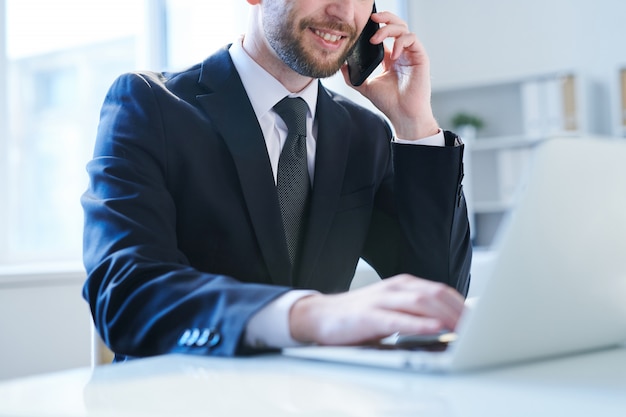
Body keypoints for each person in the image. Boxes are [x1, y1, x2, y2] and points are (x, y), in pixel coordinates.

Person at [82, 0, 472, 361]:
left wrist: (414, 125)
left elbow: (438, 294)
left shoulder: (364, 134)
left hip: (318, 400)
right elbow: (123, 292)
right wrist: (307, 316)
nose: (342, 11)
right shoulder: (150, 105)